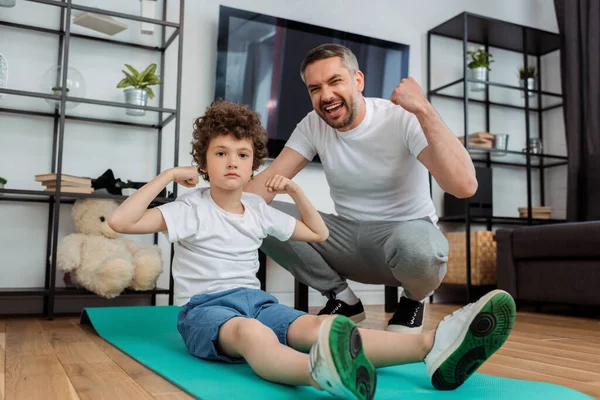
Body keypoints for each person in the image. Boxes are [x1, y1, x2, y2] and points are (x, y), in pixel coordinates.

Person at [107, 100, 515, 399]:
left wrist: (297, 190)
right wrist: (167, 176)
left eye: (243, 155)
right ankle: (320, 371)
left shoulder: (256, 209)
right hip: (207, 309)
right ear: (204, 162)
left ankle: (432, 345)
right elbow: (120, 222)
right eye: (221, 153)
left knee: (316, 327)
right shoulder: (188, 209)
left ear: (254, 166)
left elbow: (317, 233)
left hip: (259, 302)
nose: (232, 162)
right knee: (252, 335)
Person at [245, 43, 478, 333]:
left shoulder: (400, 117)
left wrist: (423, 108)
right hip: (347, 239)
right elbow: (264, 187)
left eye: (335, 81)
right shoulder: (312, 125)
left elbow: (464, 186)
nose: (326, 95)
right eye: (315, 88)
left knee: (421, 246)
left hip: (404, 238)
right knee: (256, 212)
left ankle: (412, 302)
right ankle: (343, 299)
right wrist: (211, 202)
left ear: (358, 80)